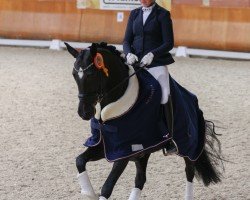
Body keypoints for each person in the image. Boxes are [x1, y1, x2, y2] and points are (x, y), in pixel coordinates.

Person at [123, 0, 177, 154]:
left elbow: (169, 43)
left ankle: (168, 139)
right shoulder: (134, 14)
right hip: (136, 62)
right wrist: (128, 53)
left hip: (156, 62)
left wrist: (153, 54)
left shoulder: (163, 14)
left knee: (164, 95)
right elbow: (126, 40)